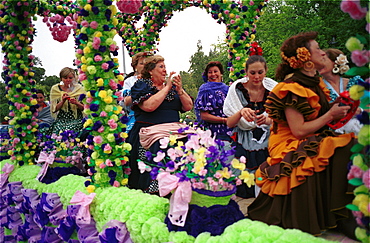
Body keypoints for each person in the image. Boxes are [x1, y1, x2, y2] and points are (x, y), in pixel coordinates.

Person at [247, 32, 357, 238]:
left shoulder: (316, 84)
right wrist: (331, 115)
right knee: (341, 146)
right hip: (289, 143)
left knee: (351, 143)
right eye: (317, 49)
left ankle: (345, 213)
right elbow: (298, 130)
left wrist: (340, 108)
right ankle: (341, 216)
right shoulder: (291, 88)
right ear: (306, 60)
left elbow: (322, 118)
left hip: (311, 136)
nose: (323, 52)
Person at [127, 55, 193, 193]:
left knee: (194, 140)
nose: (165, 70)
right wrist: (167, 87)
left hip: (174, 129)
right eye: (161, 67)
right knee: (162, 143)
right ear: (150, 70)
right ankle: (157, 189)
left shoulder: (172, 88)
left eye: (165, 67)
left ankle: (188, 183)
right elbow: (149, 106)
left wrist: (180, 90)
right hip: (150, 130)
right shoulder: (142, 85)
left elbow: (188, 107)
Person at [223, 55, 277, 198]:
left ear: (266, 71)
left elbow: (283, 118)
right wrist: (241, 112)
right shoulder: (236, 90)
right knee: (244, 183)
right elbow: (229, 123)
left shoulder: (275, 90)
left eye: (260, 72)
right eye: (252, 73)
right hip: (244, 139)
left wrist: (267, 120)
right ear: (246, 72)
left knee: (266, 175)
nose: (257, 76)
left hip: (268, 139)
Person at [319, 48, 363, 135]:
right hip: (332, 134)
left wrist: (359, 111)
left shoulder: (356, 82)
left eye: (323, 60)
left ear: (335, 62)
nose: (318, 64)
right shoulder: (317, 87)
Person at [194, 61, 233, 142]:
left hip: (231, 132)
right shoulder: (205, 90)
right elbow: (204, 115)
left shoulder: (228, 89)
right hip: (213, 133)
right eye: (210, 72)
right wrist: (224, 120)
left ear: (221, 73)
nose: (213, 74)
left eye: (215, 71)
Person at [121, 52, 151, 132]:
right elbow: (126, 102)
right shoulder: (129, 81)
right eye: (141, 63)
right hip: (135, 116)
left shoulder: (154, 79)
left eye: (146, 63)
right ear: (135, 66)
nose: (144, 66)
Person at [50, 67, 85, 135]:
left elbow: (84, 108)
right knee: (58, 130)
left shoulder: (79, 89)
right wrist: (62, 101)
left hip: (77, 119)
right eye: (65, 78)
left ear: (74, 78)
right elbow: (54, 109)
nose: (68, 80)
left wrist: (76, 103)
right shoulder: (55, 89)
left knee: (71, 130)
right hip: (62, 119)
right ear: (61, 78)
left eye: (70, 78)